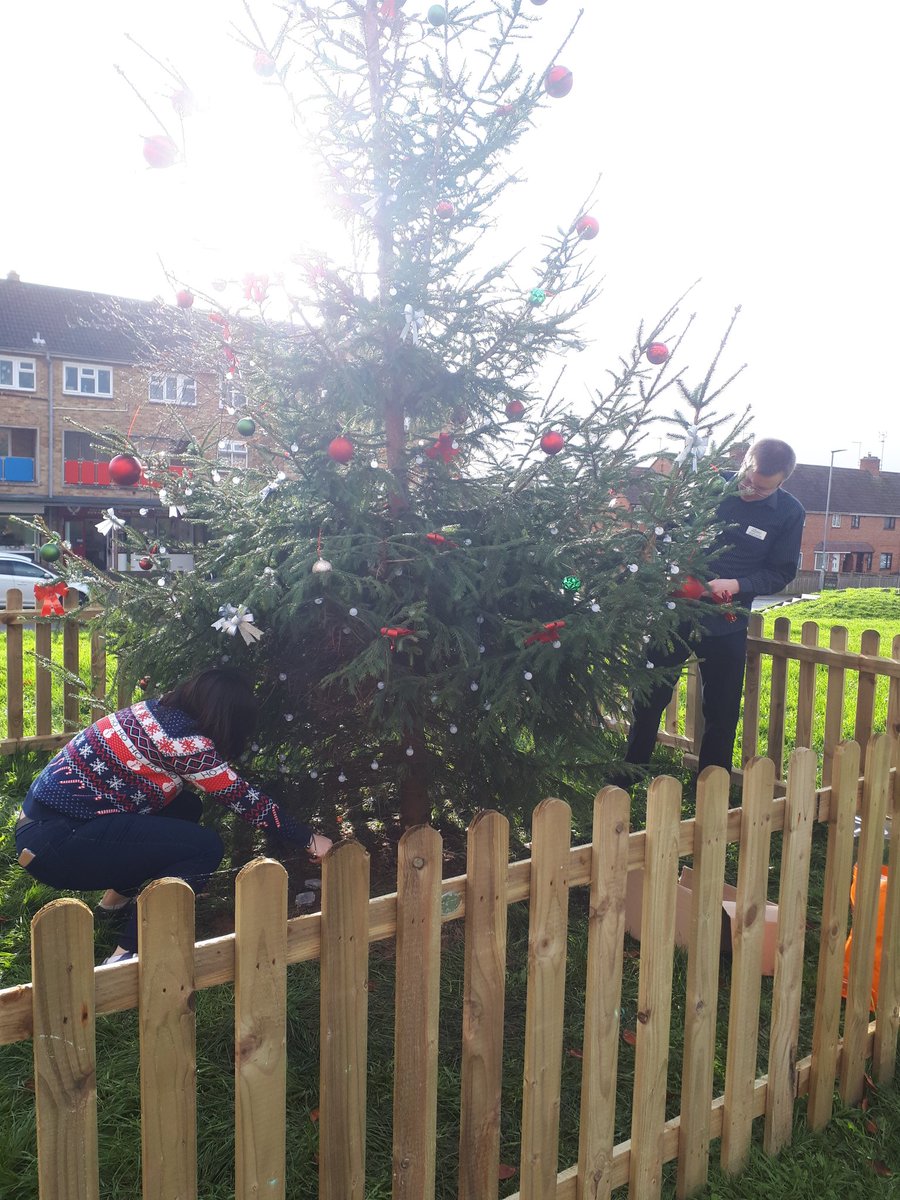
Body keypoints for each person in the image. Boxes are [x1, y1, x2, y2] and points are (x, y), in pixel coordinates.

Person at [13, 666, 332, 963]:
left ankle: (113, 904)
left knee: (185, 808)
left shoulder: (154, 712)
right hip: (57, 844)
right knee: (206, 847)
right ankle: (125, 955)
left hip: (42, 827)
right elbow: (245, 800)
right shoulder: (184, 742)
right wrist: (309, 839)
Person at [620, 438, 805, 784]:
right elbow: (665, 534)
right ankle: (629, 775)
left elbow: (782, 571)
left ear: (782, 482)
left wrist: (738, 584)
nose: (750, 489)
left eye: (762, 489)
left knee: (721, 710)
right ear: (745, 461)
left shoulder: (790, 513)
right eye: (748, 478)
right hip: (675, 612)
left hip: (728, 621)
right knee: (649, 697)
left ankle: (712, 784)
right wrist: (673, 570)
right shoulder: (707, 489)